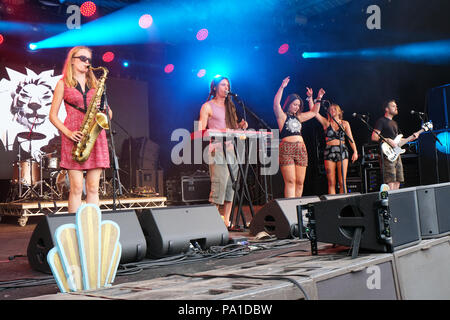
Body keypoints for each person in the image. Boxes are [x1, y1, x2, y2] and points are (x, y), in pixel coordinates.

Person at [49, 46, 113, 213]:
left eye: (89, 60)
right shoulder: (62, 84)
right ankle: (74, 228)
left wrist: (103, 109)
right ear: (72, 60)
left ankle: (92, 227)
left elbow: (109, 115)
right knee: (76, 188)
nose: (87, 62)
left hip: (95, 136)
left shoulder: (96, 83)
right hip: (73, 136)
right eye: (82, 58)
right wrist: (68, 133)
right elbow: (52, 116)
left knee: (92, 188)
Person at [198, 76, 248, 227]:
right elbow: (201, 130)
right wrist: (219, 130)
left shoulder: (230, 107)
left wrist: (240, 126)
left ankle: (226, 220)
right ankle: (213, 223)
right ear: (214, 87)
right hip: (217, 150)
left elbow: (232, 129)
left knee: (231, 186)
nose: (226, 88)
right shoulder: (207, 106)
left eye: (228, 85)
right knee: (219, 185)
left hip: (231, 150)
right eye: (223, 85)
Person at [273, 76, 320, 198]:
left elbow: (314, 112)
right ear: (289, 104)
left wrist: (314, 98)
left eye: (298, 105)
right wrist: (282, 87)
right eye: (294, 104)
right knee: (290, 181)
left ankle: (297, 208)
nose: (297, 107)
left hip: (301, 149)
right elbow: (276, 104)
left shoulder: (299, 117)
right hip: (287, 148)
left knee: (300, 182)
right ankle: (290, 210)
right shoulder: (282, 116)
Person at [371, 99, 418, 190]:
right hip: (387, 154)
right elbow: (374, 137)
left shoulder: (394, 123)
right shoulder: (381, 121)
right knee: (390, 180)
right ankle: (390, 202)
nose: (396, 107)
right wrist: (387, 140)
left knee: (398, 180)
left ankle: (395, 200)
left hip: (396, 154)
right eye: (393, 106)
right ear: (387, 109)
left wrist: (411, 138)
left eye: (396, 106)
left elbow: (397, 141)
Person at [313, 101, 358, 194]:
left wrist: (355, 151)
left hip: (342, 151)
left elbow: (350, 139)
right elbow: (315, 113)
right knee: (331, 182)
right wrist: (313, 99)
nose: (332, 110)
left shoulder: (345, 123)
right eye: (330, 109)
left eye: (334, 109)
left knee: (342, 181)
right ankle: (333, 204)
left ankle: (343, 202)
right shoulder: (326, 123)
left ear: (339, 111)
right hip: (329, 151)